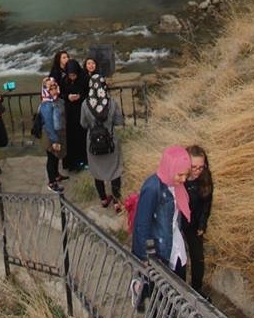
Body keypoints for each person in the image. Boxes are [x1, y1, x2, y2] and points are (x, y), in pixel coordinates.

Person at [131, 145, 192, 278]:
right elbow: (142, 224)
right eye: (180, 174)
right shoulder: (153, 187)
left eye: (186, 174)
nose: (184, 179)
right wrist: (146, 256)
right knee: (161, 290)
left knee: (178, 283)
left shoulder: (177, 185)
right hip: (160, 249)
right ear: (170, 167)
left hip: (175, 245)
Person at [80, 63, 125, 212]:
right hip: (111, 140)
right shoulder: (112, 103)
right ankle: (117, 202)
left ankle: (104, 199)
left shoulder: (85, 105)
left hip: (92, 143)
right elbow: (119, 121)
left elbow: (83, 124)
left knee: (97, 172)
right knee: (115, 171)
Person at [182, 144, 213, 295]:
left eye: (201, 167)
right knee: (179, 258)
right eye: (193, 167)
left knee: (198, 258)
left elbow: (206, 202)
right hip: (178, 223)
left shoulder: (205, 176)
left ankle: (196, 289)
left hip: (194, 223)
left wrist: (202, 223)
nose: (197, 171)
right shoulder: (179, 177)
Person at [38, 77, 67, 193]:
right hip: (50, 136)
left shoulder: (55, 101)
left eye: (55, 87)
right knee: (51, 158)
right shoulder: (46, 105)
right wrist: (54, 140)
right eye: (51, 89)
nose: (54, 91)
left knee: (55, 157)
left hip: (56, 133)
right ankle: (52, 182)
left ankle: (56, 175)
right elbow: (49, 124)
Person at [62, 59, 88, 171]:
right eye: (70, 75)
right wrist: (68, 97)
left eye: (74, 75)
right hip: (69, 113)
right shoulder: (64, 80)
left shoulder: (84, 79)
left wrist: (80, 96)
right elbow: (61, 94)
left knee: (82, 138)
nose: (72, 77)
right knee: (71, 138)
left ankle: (84, 160)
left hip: (81, 111)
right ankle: (72, 163)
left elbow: (87, 93)